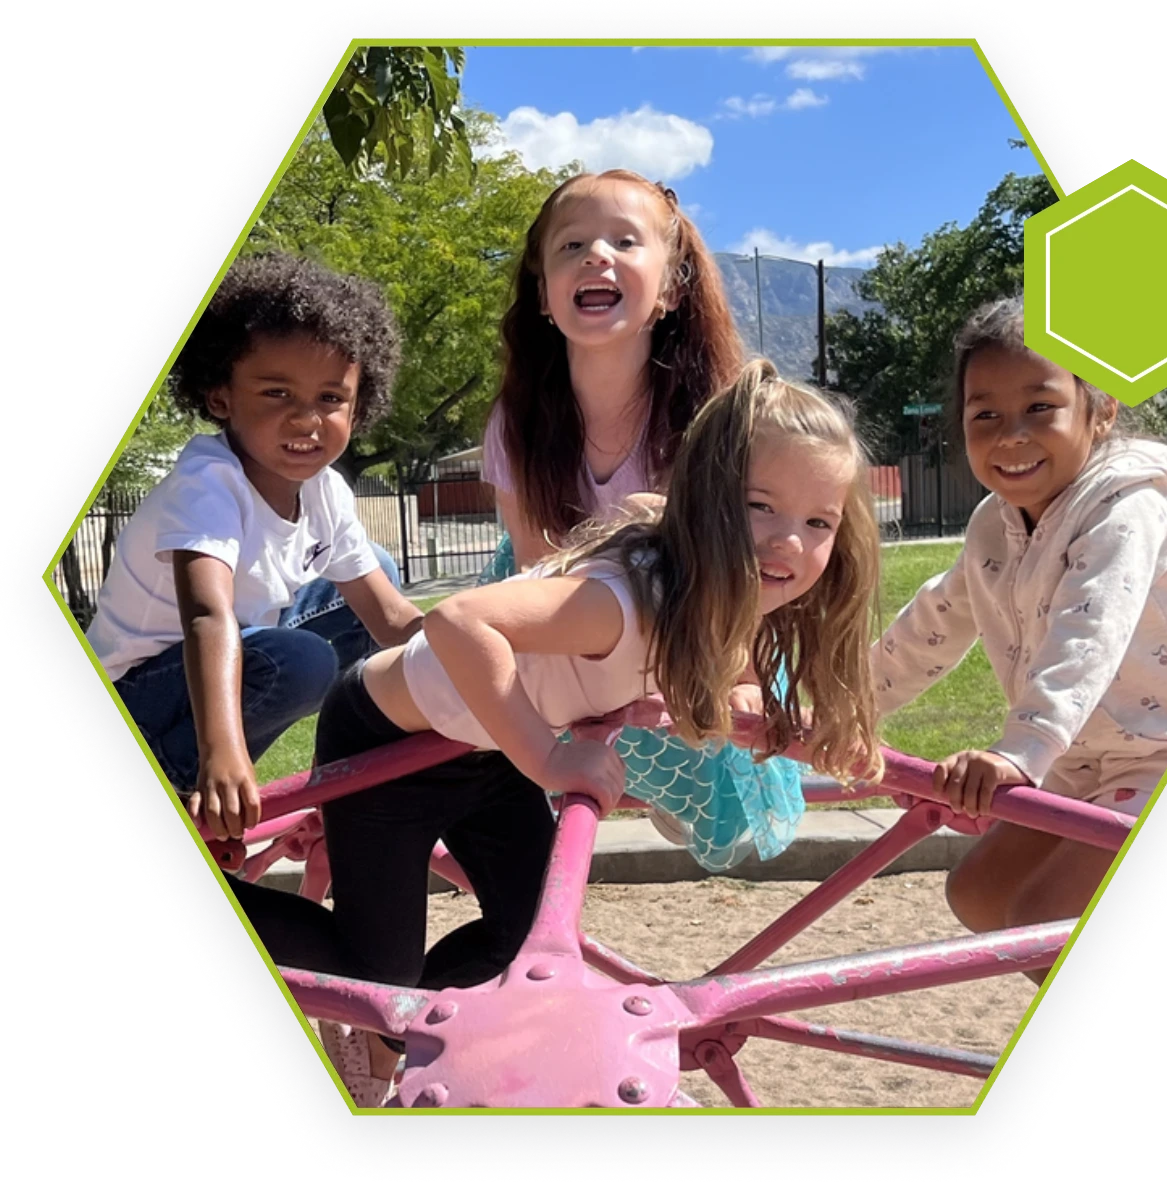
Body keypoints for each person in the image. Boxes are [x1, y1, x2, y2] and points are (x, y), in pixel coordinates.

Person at [228, 359, 885, 1105]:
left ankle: (390, 1033)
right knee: (378, 966)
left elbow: (725, 672)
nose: (789, 544)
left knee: (530, 940)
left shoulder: (716, 592)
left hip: (494, 747)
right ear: (702, 503)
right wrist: (546, 755)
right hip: (395, 745)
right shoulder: (620, 604)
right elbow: (459, 621)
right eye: (760, 506)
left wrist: (804, 728)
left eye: (818, 522)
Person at [870, 296, 1167, 982]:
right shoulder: (993, 524)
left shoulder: (1126, 512)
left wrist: (1021, 751)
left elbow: (1088, 631)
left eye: (1041, 408)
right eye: (986, 415)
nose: (1012, 435)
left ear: (1100, 411)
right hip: (1084, 766)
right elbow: (937, 619)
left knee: (1042, 919)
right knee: (979, 895)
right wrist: (849, 707)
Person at [475, 167, 807, 871]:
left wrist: (742, 674)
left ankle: (675, 792)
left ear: (672, 289)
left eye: (625, 241)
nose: (596, 255)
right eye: (571, 247)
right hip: (570, 608)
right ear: (543, 295)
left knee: (725, 797)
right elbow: (540, 567)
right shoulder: (517, 423)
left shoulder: (711, 415)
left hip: (694, 612)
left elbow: (734, 566)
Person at [87, 252, 425, 841]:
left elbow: (391, 618)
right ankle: (179, 782)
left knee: (380, 574)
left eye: (330, 398)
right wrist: (224, 752)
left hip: (227, 660)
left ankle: (361, 746)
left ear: (358, 402)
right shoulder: (208, 484)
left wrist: (483, 661)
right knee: (301, 660)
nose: (306, 420)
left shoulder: (324, 490)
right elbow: (207, 617)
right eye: (276, 393)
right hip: (129, 704)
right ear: (221, 397)